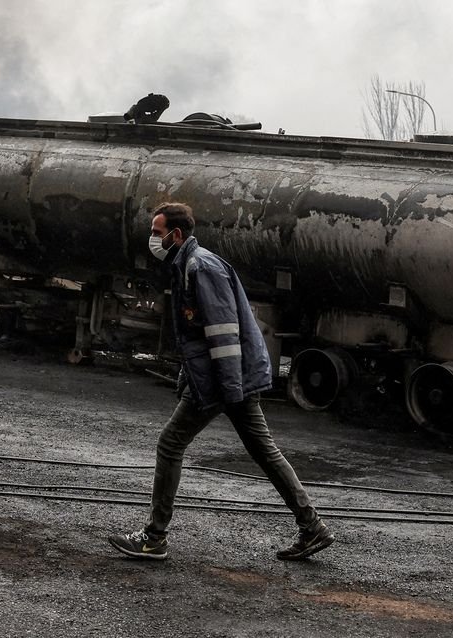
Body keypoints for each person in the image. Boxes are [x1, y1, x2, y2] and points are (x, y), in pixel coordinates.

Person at [108, 202, 335, 562]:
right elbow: (198, 335)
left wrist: (228, 390)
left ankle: (154, 538)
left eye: (156, 232)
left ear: (176, 234)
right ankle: (313, 528)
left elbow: (224, 334)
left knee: (170, 444)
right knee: (264, 451)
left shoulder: (201, 267)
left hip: (225, 380)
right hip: (228, 379)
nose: (152, 239)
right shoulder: (188, 264)